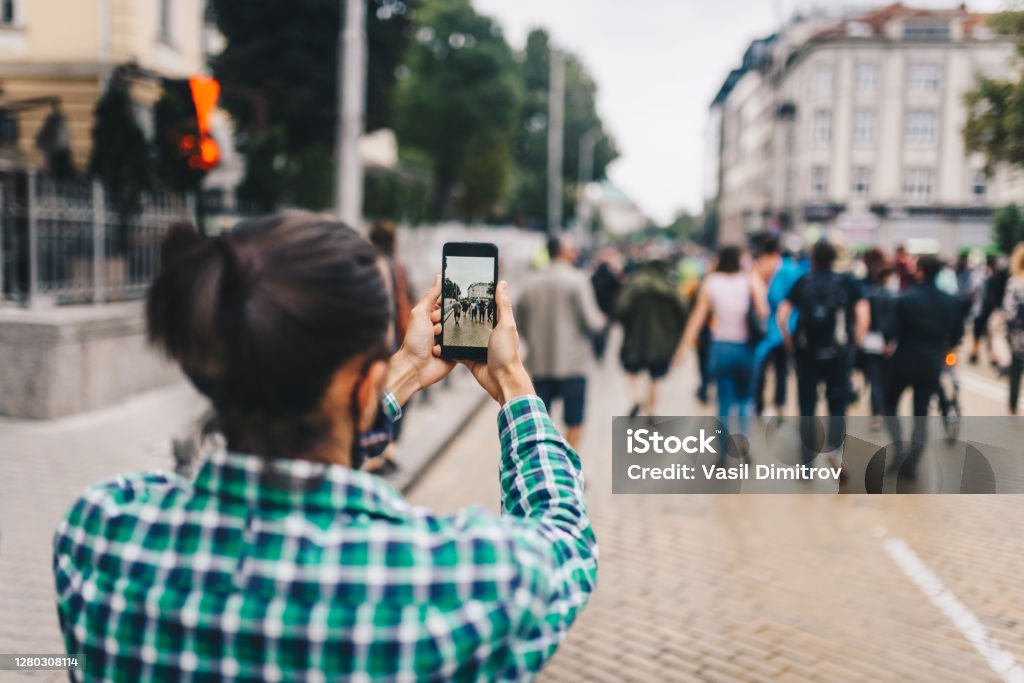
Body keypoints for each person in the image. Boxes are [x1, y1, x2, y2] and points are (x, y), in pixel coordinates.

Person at [53, 214, 597, 681]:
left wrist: (400, 370)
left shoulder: (102, 534)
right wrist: (512, 383)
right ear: (362, 386)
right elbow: (564, 542)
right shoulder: (454, 578)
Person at [778, 240, 869, 469]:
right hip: (838, 355)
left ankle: (806, 464)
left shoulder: (803, 281)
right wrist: (854, 345)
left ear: (813, 259)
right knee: (837, 404)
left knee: (807, 407)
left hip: (806, 354)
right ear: (833, 259)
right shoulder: (847, 282)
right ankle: (835, 451)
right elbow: (863, 316)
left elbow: (782, 315)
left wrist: (790, 343)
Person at [517, 235, 606, 449]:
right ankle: (567, 470)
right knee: (575, 421)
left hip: (539, 365)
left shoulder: (531, 283)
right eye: (572, 248)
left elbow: (518, 321)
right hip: (573, 366)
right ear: (563, 252)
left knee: (539, 424)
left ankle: (544, 467)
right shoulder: (578, 280)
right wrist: (604, 320)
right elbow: (593, 322)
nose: (575, 252)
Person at [884, 255, 967, 481]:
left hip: (903, 361)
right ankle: (912, 461)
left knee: (888, 403)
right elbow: (957, 335)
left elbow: (889, 332)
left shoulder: (905, 299)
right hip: (931, 364)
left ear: (919, 271)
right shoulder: (951, 302)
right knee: (920, 414)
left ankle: (899, 446)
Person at [677, 245, 768, 436]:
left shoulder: (712, 281)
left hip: (721, 348)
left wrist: (682, 348)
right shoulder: (749, 280)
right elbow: (763, 311)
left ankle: (724, 451)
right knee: (745, 399)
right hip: (746, 348)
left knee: (724, 402)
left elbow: (698, 317)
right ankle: (743, 441)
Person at [616, 259, 688, 416]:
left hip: (636, 337)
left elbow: (621, 307)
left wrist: (628, 324)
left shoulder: (636, 283)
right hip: (662, 340)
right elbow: (683, 311)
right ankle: (651, 410)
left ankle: (636, 399)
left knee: (631, 370)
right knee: (655, 377)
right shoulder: (669, 286)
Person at [750, 233, 805, 416]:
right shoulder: (790, 269)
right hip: (779, 328)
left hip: (774, 327)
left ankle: (768, 404)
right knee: (776, 369)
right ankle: (770, 405)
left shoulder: (759, 268)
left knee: (769, 368)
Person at [860, 262, 898, 428]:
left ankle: (876, 414)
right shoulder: (896, 297)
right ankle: (887, 410)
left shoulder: (869, 295)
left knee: (874, 379)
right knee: (887, 380)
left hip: (872, 342)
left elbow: (864, 320)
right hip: (890, 343)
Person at [590, 247, 625, 361]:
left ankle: (597, 353)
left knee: (598, 334)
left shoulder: (595, 274)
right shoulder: (611, 274)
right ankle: (600, 354)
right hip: (606, 309)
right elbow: (618, 289)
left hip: (597, 307)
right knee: (604, 334)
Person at [1002, 243, 1024, 415]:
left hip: (1019, 334)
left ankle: (1012, 407)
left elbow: (1009, 310)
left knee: (1016, 369)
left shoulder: (1015, 282)